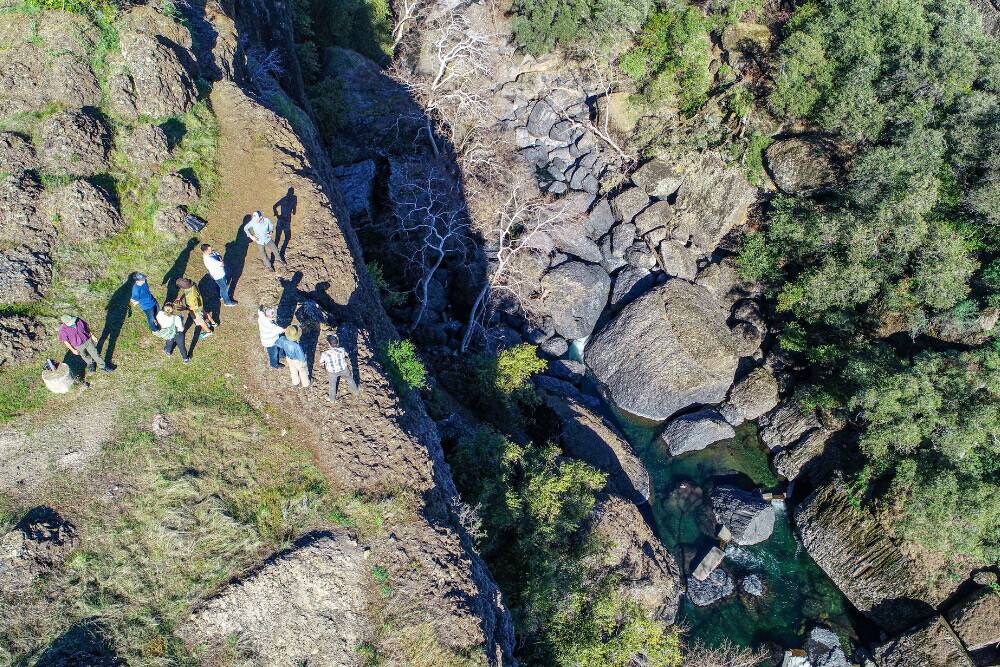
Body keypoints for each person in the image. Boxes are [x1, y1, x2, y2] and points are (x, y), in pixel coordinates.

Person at [320, 334, 359, 402]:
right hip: (343, 369)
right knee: (350, 379)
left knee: (332, 385)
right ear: (337, 343)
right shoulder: (342, 350)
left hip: (332, 372)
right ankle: (355, 391)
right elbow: (346, 355)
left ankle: (332, 399)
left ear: (329, 344)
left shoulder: (325, 354)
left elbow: (321, 362)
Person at [280, 324, 310, 388]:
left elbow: (278, 343)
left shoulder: (283, 340)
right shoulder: (297, 346)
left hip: (289, 358)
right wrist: (303, 360)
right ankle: (306, 384)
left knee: (293, 370)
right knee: (302, 371)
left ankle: (295, 383)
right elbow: (301, 356)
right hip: (297, 360)